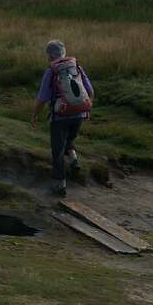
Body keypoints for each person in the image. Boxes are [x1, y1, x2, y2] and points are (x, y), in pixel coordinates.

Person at [30, 39, 94, 197]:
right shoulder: (77, 67)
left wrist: (35, 115)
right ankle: (73, 159)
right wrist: (86, 110)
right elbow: (90, 91)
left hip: (60, 116)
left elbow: (42, 98)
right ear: (63, 53)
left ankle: (59, 186)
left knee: (57, 151)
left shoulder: (51, 71)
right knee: (70, 139)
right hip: (79, 114)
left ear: (50, 56)